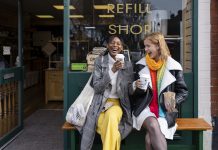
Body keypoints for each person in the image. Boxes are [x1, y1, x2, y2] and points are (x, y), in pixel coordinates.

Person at [131, 32, 188, 150]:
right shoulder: (140, 65)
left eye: (148, 46)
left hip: (165, 111)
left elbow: (183, 92)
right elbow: (133, 94)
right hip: (144, 108)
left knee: (149, 139)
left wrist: (173, 102)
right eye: (145, 46)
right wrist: (135, 86)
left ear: (158, 46)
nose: (145, 49)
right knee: (152, 124)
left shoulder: (174, 66)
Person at [80, 35, 134, 150]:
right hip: (100, 103)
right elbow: (97, 88)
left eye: (118, 43)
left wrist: (135, 86)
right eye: (112, 43)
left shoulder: (127, 64)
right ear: (107, 45)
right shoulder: (100, 61)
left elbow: (129, 90)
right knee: (110, 129)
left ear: (122, 47)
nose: (115, 45)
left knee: (111, 117)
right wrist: (112, 70)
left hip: (117, 103)